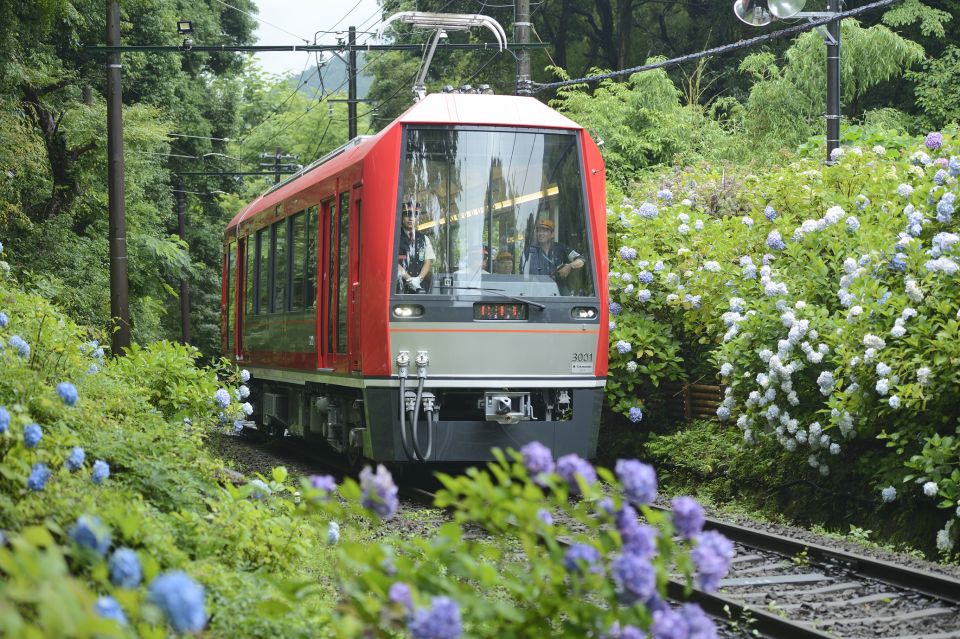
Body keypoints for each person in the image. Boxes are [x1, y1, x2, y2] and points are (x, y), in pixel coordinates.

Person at [521, 218, 586, 293]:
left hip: (558, 292)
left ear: (552, 234)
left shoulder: (561, 248)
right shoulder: (530, 251)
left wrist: (569, 266)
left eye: (545, 231)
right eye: (539, 230)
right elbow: (524, 275)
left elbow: (581, 260)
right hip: (537, 293)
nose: (541, 233)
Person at [397, 201, 435, 293]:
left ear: (417, 218)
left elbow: (428, 261)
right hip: (400, 288)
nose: (410, 218)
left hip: (420, 287)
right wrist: (409, 279)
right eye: (407, 215)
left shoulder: (424, 239)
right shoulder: (395, 238)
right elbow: (393, 262)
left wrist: (419, 279)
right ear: (402, 218)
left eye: (413, 215)